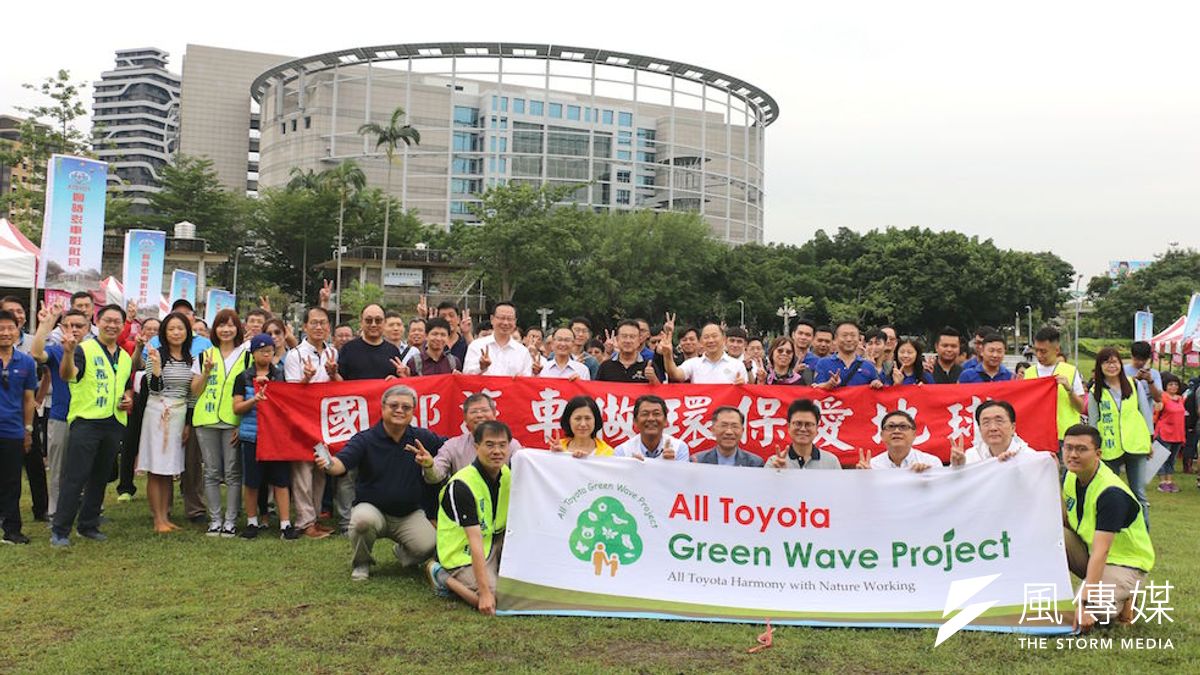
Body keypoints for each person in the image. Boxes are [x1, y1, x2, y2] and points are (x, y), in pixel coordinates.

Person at [315, 385, 442, 581]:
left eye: (406, 407)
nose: (400, 410)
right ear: (382, 408)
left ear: (413, 412)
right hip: (372, 509)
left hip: (409, 513)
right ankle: (361, 563)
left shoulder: (422, 438)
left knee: (431, 546)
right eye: (394, 405)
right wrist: (328, 463)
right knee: (362, 521)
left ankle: (403, 553)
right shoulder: (365, 439)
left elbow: (451, 448)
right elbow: (340, 465)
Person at [52, 304, 134, 547]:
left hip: (113, 423)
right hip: (86, 422)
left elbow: (124, 387)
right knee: (75, 477)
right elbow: (68, 375)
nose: (112, 325)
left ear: (122, 325)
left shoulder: (125, 356)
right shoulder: (84, 350)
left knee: (100, 476)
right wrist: (67, 353)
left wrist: (127, 399)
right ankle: (60, 529)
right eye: (107, 320)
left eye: (117, 321)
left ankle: (88, 525)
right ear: (97, 322)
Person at [1061, 424, 1154, 632]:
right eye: (1068, 448)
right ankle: (1111, 594)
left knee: (1094, 614)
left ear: (1098, 454)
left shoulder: (1111, 492)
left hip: (1125, 563)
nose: (1073, 455)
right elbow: (1065, 521)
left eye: (1081, 449)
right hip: (1093, 553)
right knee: (1052, 537)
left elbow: (1102, 551)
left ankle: (1128, 594)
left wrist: (1085, 602)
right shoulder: (1070, 475)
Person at [431, 420, 514, 613]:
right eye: (490, 445)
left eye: (502, 445)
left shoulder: (506, 473)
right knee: (495, 601)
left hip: (494, 540)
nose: (497, 451)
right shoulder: (462, 484)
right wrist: (484, 593)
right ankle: (443, 576)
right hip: (464, 552)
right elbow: (474, 541)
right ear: (477, 447)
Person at [231, 333, 296, 540]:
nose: (267, 355)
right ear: (253, 353)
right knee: (252, 482)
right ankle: (252, 521)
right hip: (252, 436)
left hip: (276, 437)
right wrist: (255, 400)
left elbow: (289, 404)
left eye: (270, 351)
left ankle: (285, 524)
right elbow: (237, 408)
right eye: (262, 351)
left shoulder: (280, 376)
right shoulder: (243, 378)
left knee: (281, 481)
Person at [189, 309, 248, 537]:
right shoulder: (205, 355)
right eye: (222, 325)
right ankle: (215, 520)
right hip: (206, 420)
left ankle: (231, 521)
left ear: (237, 329)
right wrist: (205, 373)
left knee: (233, 472)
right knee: (211, 472)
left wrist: (242, 424)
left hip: (233, 421)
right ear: (215, 329)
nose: (226, 330)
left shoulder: (246, 356)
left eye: (231, 325)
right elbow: (195, 390)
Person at [284, 306, 340, 538]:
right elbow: (291, 393)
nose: (319, 327)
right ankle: (305, 522)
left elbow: (341, 387)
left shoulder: (333, 353)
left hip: (325, 423)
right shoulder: (295, 355)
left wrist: (335, 374)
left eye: (323, 323)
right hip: (301, 422)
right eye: (314, 323)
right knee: (302, 473)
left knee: (321, 470)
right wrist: (306, 378)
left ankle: (315, 518)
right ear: (305, 326)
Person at [137, 312, 194, 533]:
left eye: (180, 328)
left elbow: (192, 395)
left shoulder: (190, 358)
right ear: (164, 333)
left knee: (169, 468)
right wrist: (157, 369)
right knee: (156, 467)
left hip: (179, 414)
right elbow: (153, 388)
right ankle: (158, 518)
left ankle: (166, 516)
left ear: (187, 332)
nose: (176, 333)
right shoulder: (156, 355)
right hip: (158, 412)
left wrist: (188, 423)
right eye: (171, 329)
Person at [30, 305, 87, 523]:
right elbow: (36, 353)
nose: (73, 330)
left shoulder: (94, 350)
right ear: (61, 327)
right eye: (68, 325)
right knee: (58, 468)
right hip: (61, 416)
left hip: (88, 419)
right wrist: (46, 324)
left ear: (88, 327)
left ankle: (89, 510)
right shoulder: (56, 350)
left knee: (86, 468)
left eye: (79, 326)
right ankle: (55, 511)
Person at [1085, 347, 1152, 528]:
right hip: (1109, 448)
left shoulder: (1134, 384)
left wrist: (1149, 440)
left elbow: (1145, 413)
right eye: (1106, 362)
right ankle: (1113, 531)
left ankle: (1143, 532)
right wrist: (1094, 449)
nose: (1111, 366)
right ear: (1099, 366)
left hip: (1136, 445)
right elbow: (1093, 423)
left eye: (1114, 361)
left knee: (1139, 493)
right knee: (1111, 491)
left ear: (1120, 364)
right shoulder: (1095, 392)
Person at [424, 394, 522, 483]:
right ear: (465, 419)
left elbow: (523, 476)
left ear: (494, 414)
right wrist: (429, 466)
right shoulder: (452, 446)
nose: (479, 415)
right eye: (474, 412)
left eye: (484, 410)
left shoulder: (511, 445)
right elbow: (435, 477)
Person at [0, 309, 37, 544]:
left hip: (13, 431)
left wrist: (28, 429)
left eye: (9, 328)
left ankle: (12, 530)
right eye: (1, 328)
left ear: (17, 331)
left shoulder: (26, 362)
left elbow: (28, 398)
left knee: (12, 482)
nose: (5, 333)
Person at [1024, 326, 1085, 443]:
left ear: (1056, 350)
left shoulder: (1071, 371)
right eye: (1036, 350)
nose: (1039, 355)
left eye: (1043, 351)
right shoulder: (1028, 373)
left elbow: (1081, 408)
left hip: (1065, 435)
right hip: (1037, 436)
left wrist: (1069, 390)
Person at [764, 399, 841, 470]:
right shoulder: (774, 462)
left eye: (808, 424)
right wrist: (778, 475)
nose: (803, 429)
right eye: (798, 424)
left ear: (817, 428)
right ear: (789, 426)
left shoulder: (831, 462)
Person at [661, 320, 745, 384]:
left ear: (724, 339)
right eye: (706, 337)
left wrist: (741, 386)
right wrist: (667, 354)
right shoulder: (693, 364)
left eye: (714, 336)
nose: (711, 340)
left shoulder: (737, 365)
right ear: (701, 341)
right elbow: (675, 374)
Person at [856, 410, 941, 471]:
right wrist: (865, 479)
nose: (896, 431)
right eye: (891, 427)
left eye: (903, 426)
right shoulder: (872, 466)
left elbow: (941, 492)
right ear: (882, 435)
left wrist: (927, 478)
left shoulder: (931, 462)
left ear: (914, 435)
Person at [463, 302, 533, 377]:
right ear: (492, 319)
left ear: (515, 321)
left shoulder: (523, 352)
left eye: (510, 319)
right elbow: (466, 376)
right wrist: (481, 367)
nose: (505, 322)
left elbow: (527, 380)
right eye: (502, 318)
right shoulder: (477, 346)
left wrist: (521, 379)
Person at [613, 395, 690, 462]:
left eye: (656, 414)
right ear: (635, 421)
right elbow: (619, 478)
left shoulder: (679, 448)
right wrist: (632, 470)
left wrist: (672, 466)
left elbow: (683, 478)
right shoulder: (622, 452)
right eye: (645, 414)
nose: (651, 419)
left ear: (665, 421)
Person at [949, 400, 1029, 465]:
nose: (993, 428)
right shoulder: (971, 456)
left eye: (999, 421)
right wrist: (958, 470)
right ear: (980, 429)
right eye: (986, 423)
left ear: (1013, 427)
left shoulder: (1028, 456)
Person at [337, 305, 405, 381]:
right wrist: (333, 374)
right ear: (361, 322)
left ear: (384, 322)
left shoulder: (393, 351)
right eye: (369, 320)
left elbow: (399, 383)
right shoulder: (348, 349)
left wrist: (400, 378)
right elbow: (340, 382)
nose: (373, 324)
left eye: (378, 320)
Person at [813, 321, 881, 389]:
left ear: (859, 338)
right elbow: (816, 389)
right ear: (836, 338)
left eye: (853, 335)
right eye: (844, 335)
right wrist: (828, 384)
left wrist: (876, 384)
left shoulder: (868, 365)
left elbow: (878, 392)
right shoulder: (823, 363)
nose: (849, 339)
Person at [692, 407, 764, 467]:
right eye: (724, 426)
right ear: (713, 430)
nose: (729, 432)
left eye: (734, 426)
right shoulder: (698, 461)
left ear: (742, 431)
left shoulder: (754, 463)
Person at [1152, 373, 1185, 493]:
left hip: (1177, 433)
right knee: (1162, 457)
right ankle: (1162, 482)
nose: (1174, 387)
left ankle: (1169, 481)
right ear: (1165, 386)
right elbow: (1157, 409)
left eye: (1176, 384)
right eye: (1170, 384)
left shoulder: (1180, 398)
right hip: (1165, 432)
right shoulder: (1163, 397)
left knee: (1172, 459)